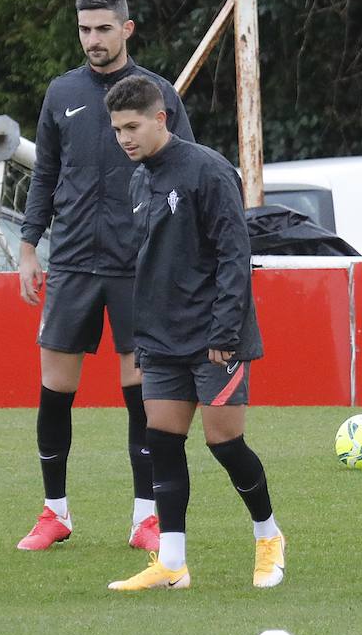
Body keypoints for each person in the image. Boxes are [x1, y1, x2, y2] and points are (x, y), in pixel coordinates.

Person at [14, 0, 194, 553]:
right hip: (69, 263)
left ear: (127, 29)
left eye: (103, 29)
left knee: (139, 392)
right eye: (85, 29)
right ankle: (54, 512)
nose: (93, 39)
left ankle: (145, 517)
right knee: (55, 390)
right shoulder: (61, 92)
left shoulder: (157, 95)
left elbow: (184, 175)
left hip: (136, 267)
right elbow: (44, 176)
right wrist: (27, 246)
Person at [102, 75, 286, 591]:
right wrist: (141, 336)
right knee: (161, 441)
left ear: (160, 119)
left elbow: (234, 255)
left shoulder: (208, 170)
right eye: (117, 130)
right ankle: (173, 563)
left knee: (224, 442)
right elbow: (148, 265)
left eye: (132, 127)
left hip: (213, 335)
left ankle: (269, 536)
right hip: (159, 340)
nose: (124, 139)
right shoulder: (138, 180)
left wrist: (225, 328)